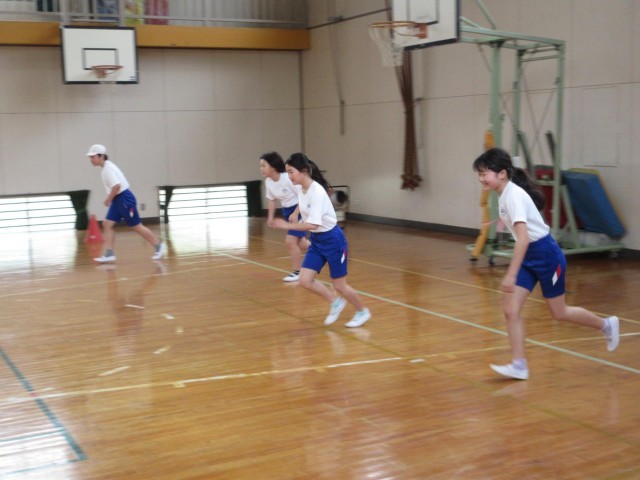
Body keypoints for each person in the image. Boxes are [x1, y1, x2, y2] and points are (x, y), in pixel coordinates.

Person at [472, 147, 619, 380]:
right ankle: (519, 365)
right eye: (479, 174)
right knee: (510, 309)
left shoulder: (513, 195)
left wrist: (511, 274)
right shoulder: (505, 194)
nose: (481, 179)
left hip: (547, 256)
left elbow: (523, 239)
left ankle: (606, 325)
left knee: (559, 312)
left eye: (484, 174)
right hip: (529, 256)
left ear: (501, 173)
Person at [270, 153, 371, 328]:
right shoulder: (301, 187)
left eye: (291, 172)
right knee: (305, 280)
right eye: (287, 172)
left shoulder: (317, 192)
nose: (289, 176)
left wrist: (286, 225)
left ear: (304, 171)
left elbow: (313, 224)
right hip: (317, 241)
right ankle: (335, 302)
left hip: (333, 241)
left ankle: (362, 311)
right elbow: (302, 203)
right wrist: (295, 213)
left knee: (339, 286)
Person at [87, 144, 165, 263]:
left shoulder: (107, 169)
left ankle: (159, 247)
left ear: (101, 156)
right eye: (90, 157)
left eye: (93, 157)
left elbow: (116, 186)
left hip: (124, 199)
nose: (91, 159)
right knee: (107, 224)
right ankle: (109, 254)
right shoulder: (106, 167)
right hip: (118, 199)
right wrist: (112, 199)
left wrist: (108, 199)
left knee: (136, 226)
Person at [260, 151, 310, 282]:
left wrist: (296, 213)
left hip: (299, 209)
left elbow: (303, 196)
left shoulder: (287, 178)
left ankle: (298, 272)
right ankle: (323, 249)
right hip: (287, 211)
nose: (261, 169)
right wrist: (270, 217)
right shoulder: (268, 182)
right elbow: (271, 200)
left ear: (273, 166)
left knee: (290, 241)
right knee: (301, 243)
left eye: (264, 165)